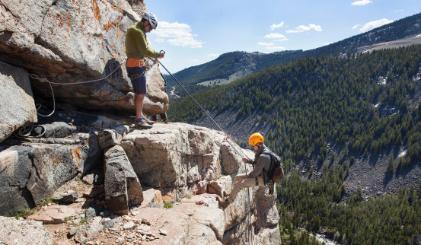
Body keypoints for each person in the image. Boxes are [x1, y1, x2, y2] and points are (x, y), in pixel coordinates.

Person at [217, 132, 284, 208]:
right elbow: (259, 163)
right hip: (262, 174)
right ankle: (231, 194)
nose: (252, 148)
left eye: (253, 146)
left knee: (240, 184)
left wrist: (245, 179)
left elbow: (254, 173)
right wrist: (248, 161)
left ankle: (226, 203)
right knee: (237, 177)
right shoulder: (263, 150)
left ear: (258, 145)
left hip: (264, 179)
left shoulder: (263, 156)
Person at [125, 13, 165, 129]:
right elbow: (145, 50)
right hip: (135, 65)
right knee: (141, 93)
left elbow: (146, 48)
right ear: (146, 22)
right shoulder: (137, 31)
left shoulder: (138, 30)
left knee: (140, 92)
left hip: (135, 64)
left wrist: (156, 54)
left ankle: (140, 116)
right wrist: (158, 55)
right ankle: (138, 119)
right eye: (151, 27)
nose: (151, 30)